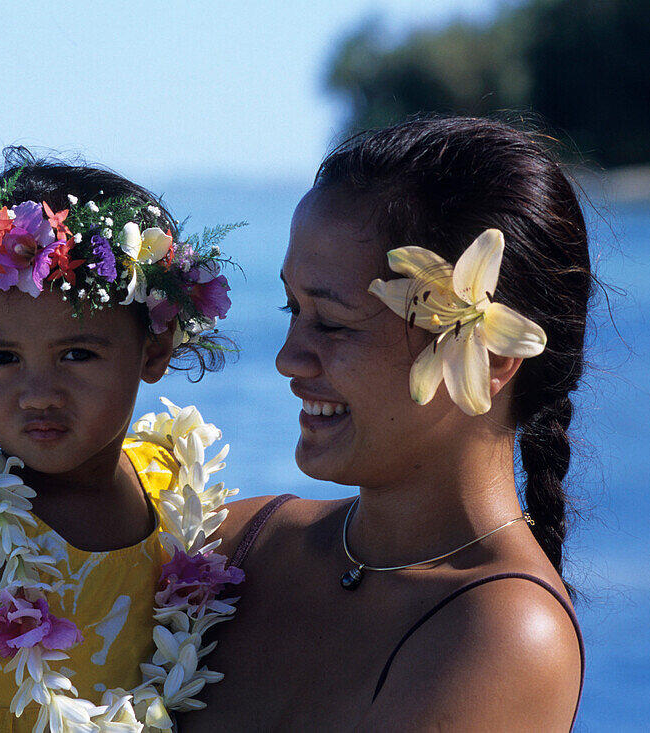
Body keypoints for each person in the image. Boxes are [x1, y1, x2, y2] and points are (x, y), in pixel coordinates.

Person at [185, 117, 592, 732]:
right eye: (291, 308)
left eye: (334, 322)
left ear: (489, 356)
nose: (287, 358)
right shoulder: (236, 545)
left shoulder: (505, 633)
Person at [0, 151, 246, 732]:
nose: (38, 393)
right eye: (1, 358)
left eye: (77, 354)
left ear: (154, 348)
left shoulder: (169, 484)